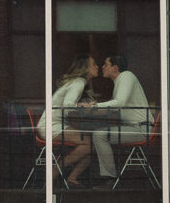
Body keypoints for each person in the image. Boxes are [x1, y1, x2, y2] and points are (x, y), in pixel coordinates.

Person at [36, 55, 98, 187]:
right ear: (85, 68)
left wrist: (83, 105)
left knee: (92, 145)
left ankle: (72, 178)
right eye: (93, 64)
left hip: (54, 124)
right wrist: (85, 106)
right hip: (50, 126)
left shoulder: (79, 82)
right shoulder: (79, 82)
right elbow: (68, 105)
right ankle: (56, 169)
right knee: (89, 145)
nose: (97, 66)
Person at [89, 54, 151, 185]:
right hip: (135, 128)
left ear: (115, 68)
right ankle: (108, 176)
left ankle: (109, 178)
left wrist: (94, 106)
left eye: (106, 64)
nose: (102, 67)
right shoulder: (121, 80)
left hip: (141, 128)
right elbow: (117, 106)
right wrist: (93, 107)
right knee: (99, 134)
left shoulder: (126, 76)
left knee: (99, 135)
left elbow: (119, 102)